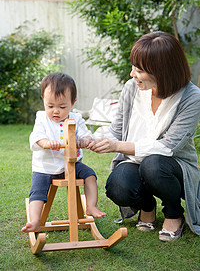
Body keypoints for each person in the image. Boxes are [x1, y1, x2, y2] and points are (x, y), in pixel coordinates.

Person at [88, 31, 200, 242]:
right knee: (118, 186)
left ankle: (174, 213)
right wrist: (88, 138)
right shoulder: (132, 88)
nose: (132, 74)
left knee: (153, 164)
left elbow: (168, 147)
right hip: (135, 162)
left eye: (139, 70)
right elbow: (117, 130)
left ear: (162, 70)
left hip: (171, 166)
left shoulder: (191, 97)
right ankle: (147, 206)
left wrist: (116, 145)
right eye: (133, 67)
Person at [22, 73, 106, 233]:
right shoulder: (41, 118)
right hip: (45, 168)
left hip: (72, 165)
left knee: (90, 175)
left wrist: (84, 140)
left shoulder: (76, 118)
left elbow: (87, 135)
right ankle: (34, 220)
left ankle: (91, 206)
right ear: (43, 100)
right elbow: (37, 137)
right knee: (38, 190)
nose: (56, 111)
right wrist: (47, 143)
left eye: (62, 107)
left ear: (72, 103)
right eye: (50, 106)